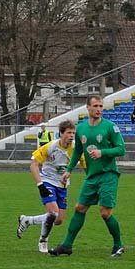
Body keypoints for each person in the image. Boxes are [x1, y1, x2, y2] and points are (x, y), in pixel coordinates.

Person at [48, 95, 126, 257]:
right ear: (88, 108)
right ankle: (67, 246)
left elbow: (121, 149)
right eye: (95, 106)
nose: (99, 109)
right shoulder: (81, 128)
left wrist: (102, 152)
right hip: (92, 175)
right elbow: (77, 150)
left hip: (108, 174)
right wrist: (69, 169)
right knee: (80, 208)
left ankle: (118, 245)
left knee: (105, 212)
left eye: (101, 106)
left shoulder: (110, 127)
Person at [17, 120, 85, 253]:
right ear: (61, 133)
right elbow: (33, 165)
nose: (72, 135)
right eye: (69, 132)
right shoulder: (51, 146)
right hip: (48, 181)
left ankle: (27, 220)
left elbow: (86, 166)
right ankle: (43, 240)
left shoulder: (76, 149)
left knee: (58, 220)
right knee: (53, 213)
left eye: (73, 133)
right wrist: (40, 185)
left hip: (63, 185)